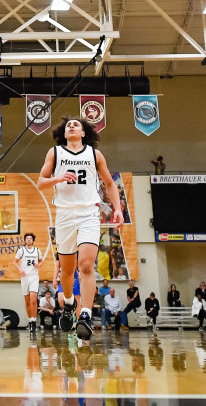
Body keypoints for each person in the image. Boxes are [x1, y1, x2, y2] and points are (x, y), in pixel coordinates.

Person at [36, 116, 123, 341]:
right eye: (68, 126)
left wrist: (118, 209)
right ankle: (68, 303)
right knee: (66, 271)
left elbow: (110, 184)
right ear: (64, 134)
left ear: (84, 132)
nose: (72, 126)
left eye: (76, 124)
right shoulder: (55, 153)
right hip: (64, 215)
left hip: (88, 213)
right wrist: (58, 178)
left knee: (85, 265)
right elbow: (40, 182)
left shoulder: (95, 155)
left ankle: (85, 314)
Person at [15, 232, 43, 332]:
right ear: (25, 240)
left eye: (30, 238)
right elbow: (14, 262)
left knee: (33, 299)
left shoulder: (37, 250)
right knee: (27, 301)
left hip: (34, 277)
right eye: (27, 238)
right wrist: (20, 269)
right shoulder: (21, 250)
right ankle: (30, 320)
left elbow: (41, 261)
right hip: (24, 277)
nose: (29, 240)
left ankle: (34, 322)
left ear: (33, 240)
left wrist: (39, 265)